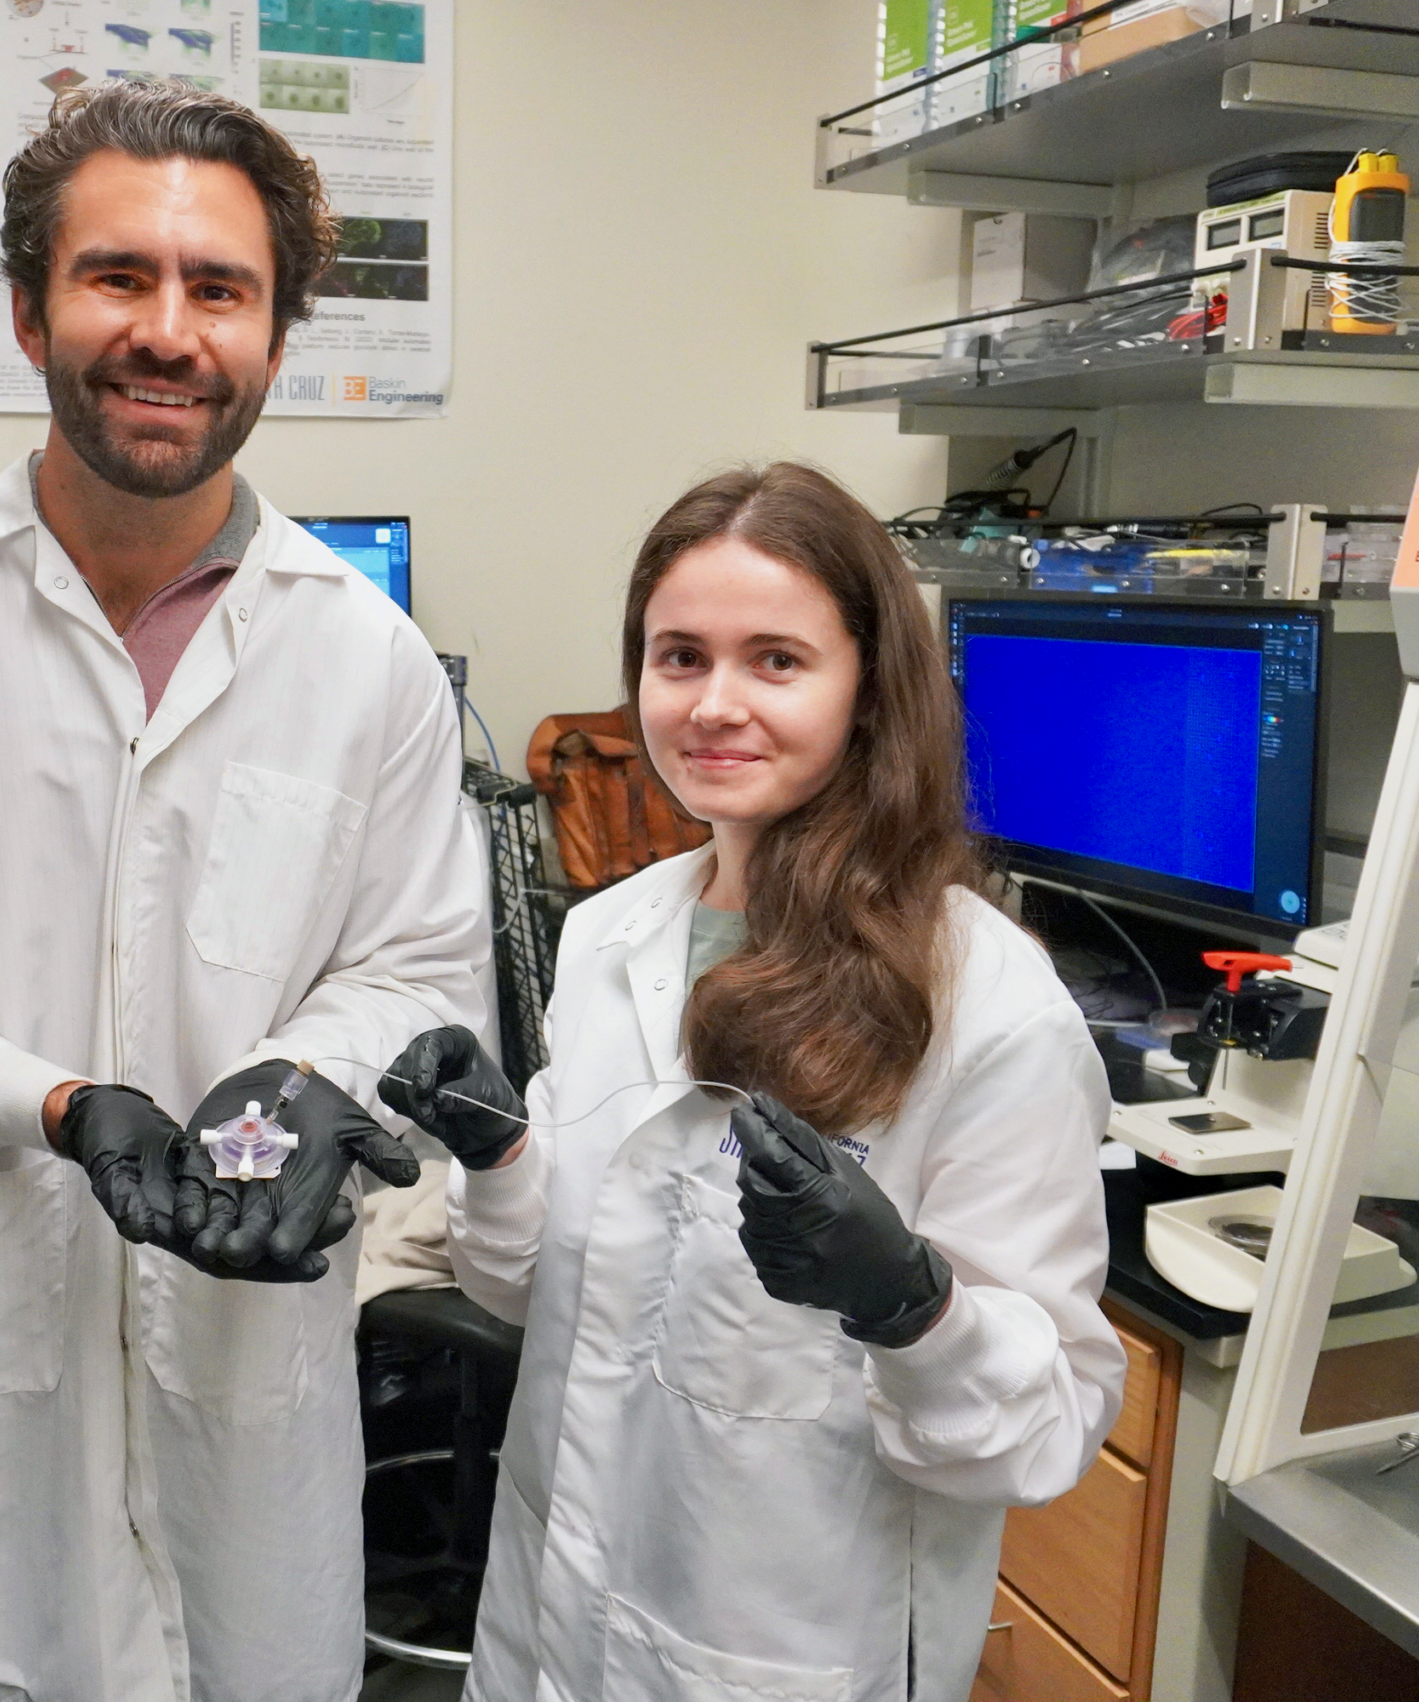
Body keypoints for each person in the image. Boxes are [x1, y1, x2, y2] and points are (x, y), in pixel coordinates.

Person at [0, 81, 487, 1702]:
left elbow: (418, 973)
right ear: (26, 312)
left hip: (244, 1396)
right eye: (118, 277)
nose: (170, 330)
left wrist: (303, 1089)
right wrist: (50, 1102)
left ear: (276, 340)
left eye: (221, 290)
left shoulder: (371, 663)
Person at [380, 463, 1122, 1702]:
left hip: (788, 1647)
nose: (714, 704)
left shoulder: (986, 1006)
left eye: (775, 660)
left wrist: (910, 1305)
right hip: (555, 1618)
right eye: (679, 657)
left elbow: (1046, 1428)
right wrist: (499, 1154)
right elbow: (522, 1298)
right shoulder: (609, 933)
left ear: (869, 697)